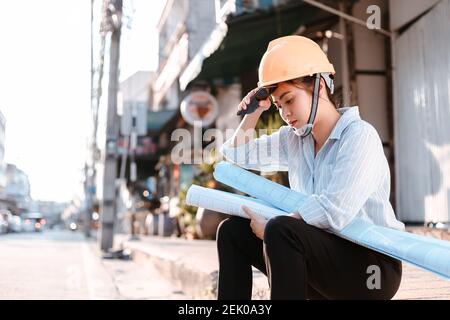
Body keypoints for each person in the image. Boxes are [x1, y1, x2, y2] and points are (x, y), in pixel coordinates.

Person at [217, 35, 404, 300]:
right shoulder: (294, 140)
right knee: (232, 232)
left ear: (318, 87)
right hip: (320, 258)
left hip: (370, 268)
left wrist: (271, 226)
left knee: (280, 229)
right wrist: (255, 112)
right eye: (279, 105)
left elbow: (333, 211)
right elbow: (237, 154)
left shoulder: (360, 136)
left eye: (290, 100)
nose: (285, 113)